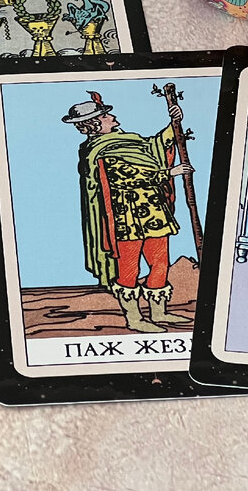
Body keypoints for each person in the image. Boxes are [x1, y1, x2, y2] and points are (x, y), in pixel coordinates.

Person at [63, 91, 194, 333]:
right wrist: (168, 173)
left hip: (153, 213)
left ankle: (159, 312)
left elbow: (154, 147)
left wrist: (173, 123)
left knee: (160, 262)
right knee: (129, 269)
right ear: (94, 124)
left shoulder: (128, 140)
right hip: (125, 218)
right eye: (105, 116)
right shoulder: (100, 150)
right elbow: (129, 177)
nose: (112, 117)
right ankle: (134, 318)